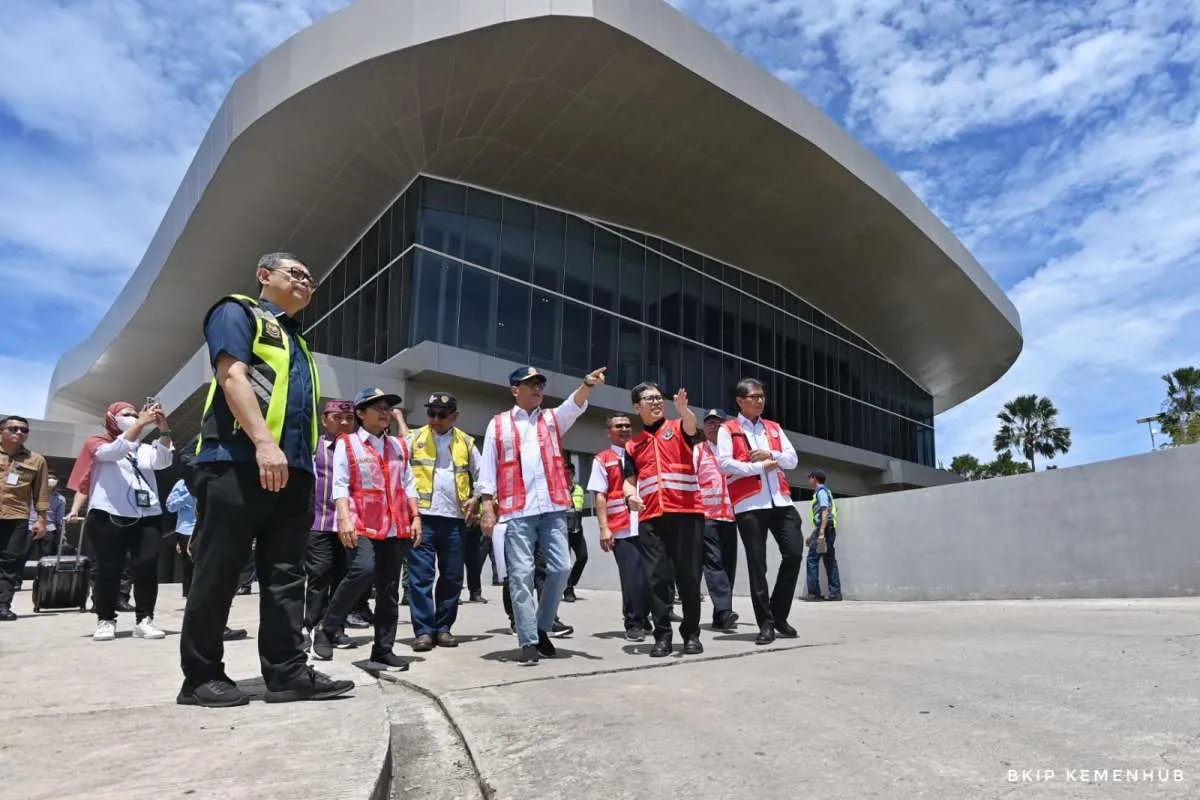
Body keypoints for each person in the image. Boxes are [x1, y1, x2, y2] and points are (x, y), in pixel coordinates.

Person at [179, 252, 354, 708]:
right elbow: (232, 375)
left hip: (293, 471)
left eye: (310, 278)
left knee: (284, 575)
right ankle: (199, 677)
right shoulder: (238, 311)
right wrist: (262, 443)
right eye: (295, 273)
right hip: (239, 461)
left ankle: (287, 673)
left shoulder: (299, 341)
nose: (306, 282)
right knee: (219, 571)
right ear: (264, 276)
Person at [477, 365, 606, 665]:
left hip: (551, 508)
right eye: (530, 384)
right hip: (517, 511)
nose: (537, 389)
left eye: (540, 384)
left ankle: (540, 626)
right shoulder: (498, 425)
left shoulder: (551, 420)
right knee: (521, 575)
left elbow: (573, 406)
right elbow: (488, 470)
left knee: (561, 568)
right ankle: (528, 641)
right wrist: (486, 508)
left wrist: (586, 385)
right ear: (514, 390)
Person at [312, 388, 420, 671]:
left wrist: (416, 516)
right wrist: (344, 518)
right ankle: (326, 627)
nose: (384, 412)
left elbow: (408, 483)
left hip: (395, 526)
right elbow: (341, 484)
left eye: (387, 407)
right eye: (377, 407)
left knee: (388, 589)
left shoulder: (399, 446)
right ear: (360, 413)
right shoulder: (347, 444)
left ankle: (383, 649)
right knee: (362, 569)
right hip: (362, 523)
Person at [66, 401, 174, 642]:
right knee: (108, 569)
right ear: (112, 418)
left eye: (136, 413)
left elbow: (163, 460)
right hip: (108, 514)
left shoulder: (143, 448)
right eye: (126, 414)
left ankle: (144, 619)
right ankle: (106, 619)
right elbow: (115, 451)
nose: (134, 416)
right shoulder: (98, 443)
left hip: (147, 515)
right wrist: (140, 423)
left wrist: (163, 425)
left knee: (146, 567)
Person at [717, 377, 804, 646]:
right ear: (740, 401)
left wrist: (770, 455)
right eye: (753, 397)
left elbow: (792, 459)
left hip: (781, 500)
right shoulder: (727, 429)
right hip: (749, 505)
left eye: (762, 396)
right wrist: (758, 468)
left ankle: (778, 614)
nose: (759, 401)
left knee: (794, 552)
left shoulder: (774, 428)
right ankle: (765, 623)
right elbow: (724, 463)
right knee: (758, 564)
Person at [623, 382, 706, 658]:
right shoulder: (633, 445)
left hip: (686, 514)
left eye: (659, 398)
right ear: (637, 406)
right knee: (656, 579)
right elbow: (628, 480)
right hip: (651, 518)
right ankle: (662, 636)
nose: (657, 402)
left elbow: (692, 428)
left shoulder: (678, 426)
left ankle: (691, 634)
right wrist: (629, 497)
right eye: (650, 399)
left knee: (689, 577)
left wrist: (684, 411)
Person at [405, 392, 480, 651]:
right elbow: (399, 474)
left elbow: (483, 474)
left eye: (442, 414)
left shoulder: (467, 443)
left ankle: (444, 628)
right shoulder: (413, 438)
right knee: (420, 577)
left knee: (452, 576)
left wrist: (478, 497)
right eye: (431, 413)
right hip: (422, 519)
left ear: (455, 417)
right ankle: (424, 631)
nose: (435, 419)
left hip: (455, 520)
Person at [588, 414, 651, 641]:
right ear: (609, 431)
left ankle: (644, 618)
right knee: (631, 577)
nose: (624, 429)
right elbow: (600, 495)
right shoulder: (602, 459)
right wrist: (604, 528)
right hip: (622, 527)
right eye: (618, 426)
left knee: (649, 576)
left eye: (627, 425)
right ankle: (633, 622)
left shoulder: (641, 454)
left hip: (647, 523)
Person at [304, 399, 361, 648]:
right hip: (318, 522)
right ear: (324, 420)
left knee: (343, 577)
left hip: (349, 524)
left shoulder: (359, 449)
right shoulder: (312, 447)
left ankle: (334, 628)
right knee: (319, 574)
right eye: (338, 418)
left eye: (349, 419)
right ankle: (310, 625)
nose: (345, 423)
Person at [169, 477, 250, 641]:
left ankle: (211, 625)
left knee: (212, 576)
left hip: (210, 526)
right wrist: (189, 493)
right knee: (202, 576)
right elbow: (170, 506)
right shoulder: (183, 484)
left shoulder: (214, 480)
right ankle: (209, 627)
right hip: (188, 530)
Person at [0, 415, 49, 621]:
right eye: (14, 429)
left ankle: (3, 605)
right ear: (1, 431)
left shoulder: (36, 460)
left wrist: (41, 520)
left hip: (16, 517)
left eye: (24, 430)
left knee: (10, 562)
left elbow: (41, 492)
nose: (19, 433)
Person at [695, 409, 740, 632]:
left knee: (729, 565)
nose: (713, 426)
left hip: (731, 517)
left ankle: (720, 616)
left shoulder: (733, 452)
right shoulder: (697, 451)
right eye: (709, 422)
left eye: (718, 422)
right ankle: (724, 609)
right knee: (713, 563)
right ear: (704, 427)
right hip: (707, 517)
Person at [805, 469, 842, 602]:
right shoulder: (826, 491)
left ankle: (814, 594)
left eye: (810, 477)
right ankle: (835, 593)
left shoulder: (821, 492)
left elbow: (824, 512)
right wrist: (812, 535)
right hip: (829, 529)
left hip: (825, 530)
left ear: (814, 478)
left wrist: (821, 533)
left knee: (812, 560)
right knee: (830, 560)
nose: (808, 480)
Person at [561, 463, 587, 602]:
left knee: (583, 557)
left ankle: (570, 582)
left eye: (569, 474)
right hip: (563, 531)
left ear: (573, 474)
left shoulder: (579, 489)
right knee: (565, 562)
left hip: (577, 529)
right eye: (565, 474)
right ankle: (568, 590)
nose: (567, 476)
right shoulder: (559, 490)